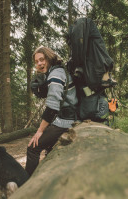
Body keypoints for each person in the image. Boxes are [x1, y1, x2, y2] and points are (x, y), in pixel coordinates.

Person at [25, 46, 78, 176]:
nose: (39, 64)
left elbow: (52, 108)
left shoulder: (55, 74)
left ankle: (26, 185)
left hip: (66, 121)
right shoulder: (58, 71)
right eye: (36, 62)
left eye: (42, 59)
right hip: (66, 117)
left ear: (49, 58)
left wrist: (40, 131)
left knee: (32, 148)